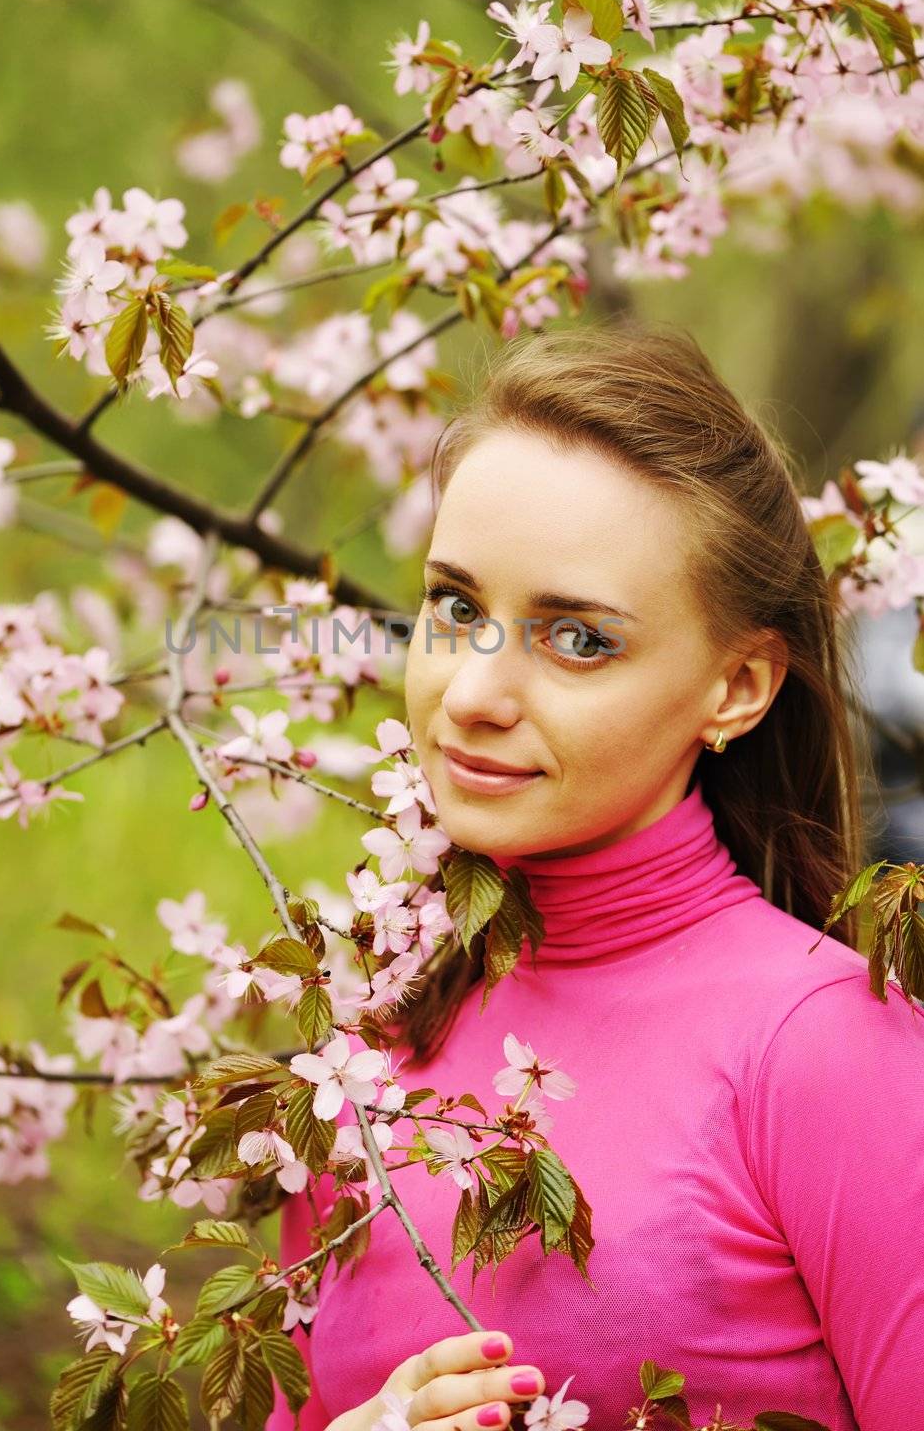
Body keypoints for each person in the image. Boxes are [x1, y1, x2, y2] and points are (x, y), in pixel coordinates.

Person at [268, 325, 924, 1431]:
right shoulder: (369, 1053)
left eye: (577, 638)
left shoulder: (825, 1048)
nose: (473, 693)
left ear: (739, 685)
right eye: (457, 607)